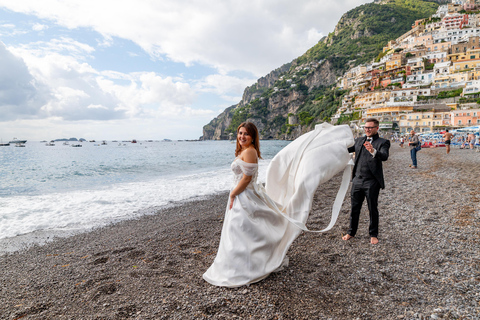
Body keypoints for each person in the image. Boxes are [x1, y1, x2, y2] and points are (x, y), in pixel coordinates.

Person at [203, 122, 354, 287]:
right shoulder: (244, 151)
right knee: (239, 230)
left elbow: (246, 179)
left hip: (244, 195)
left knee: (242, 229)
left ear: (253, 136)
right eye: (240, 133)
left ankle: (248, 265)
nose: (242, 136)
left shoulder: (250, 152)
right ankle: (237, 264)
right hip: (241, 194)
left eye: (246, 134)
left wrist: (232, 193)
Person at [342, 118, 390, 245]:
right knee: (354, 208)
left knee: (372, 208)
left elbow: (384, 156)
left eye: (370, 127)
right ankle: (351, 232)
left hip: (372, 181)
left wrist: (373, 151)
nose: (367, 130)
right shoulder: (358, 141)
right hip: (357, 179)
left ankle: (373, 234)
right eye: (366, 127)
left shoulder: (383, 142)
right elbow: (346, 150)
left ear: (376, 128)